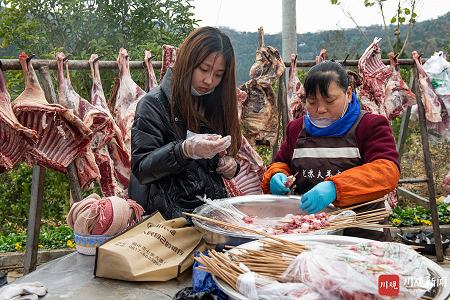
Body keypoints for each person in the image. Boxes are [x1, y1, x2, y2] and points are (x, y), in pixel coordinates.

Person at [261, 60, 400, 241]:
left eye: (330, 101)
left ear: (348, 94)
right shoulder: (296, 129)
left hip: (362, 237)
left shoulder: (370, 126)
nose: (320, 109)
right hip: (311, 233)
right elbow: (282, 163)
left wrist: (335, 188)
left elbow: (386, 171)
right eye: (312, 101)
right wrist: (276, 176)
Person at [129, 26, 242, 224]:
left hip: (207, 216)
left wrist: (230, 165)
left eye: (218, 75)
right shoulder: (153, 104)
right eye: (204, 69)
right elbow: (142, 168)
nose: (209, 80)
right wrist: (184, 150)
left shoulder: (215, 104)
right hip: (165, 222)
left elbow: (221, 159)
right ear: (188, 61)